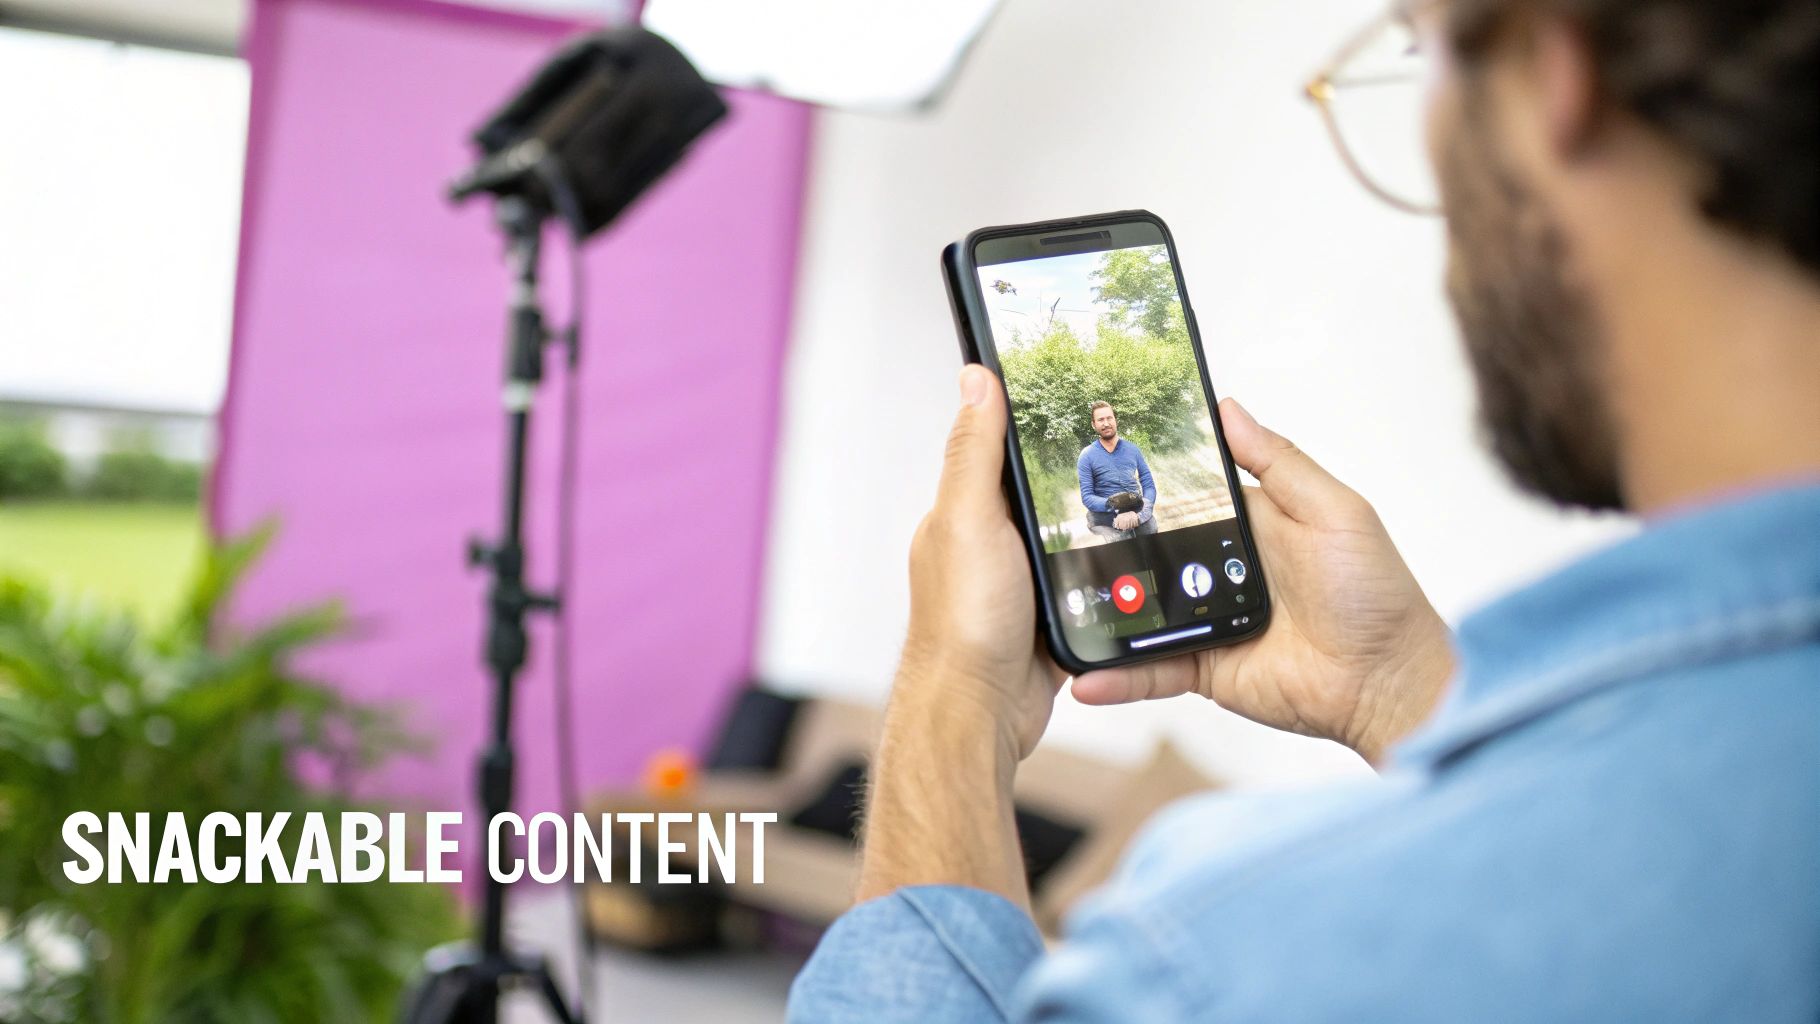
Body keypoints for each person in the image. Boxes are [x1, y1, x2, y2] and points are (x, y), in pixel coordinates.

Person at [789, 0, 1820, 1019]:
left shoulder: (1221, 961)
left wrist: (951, 697)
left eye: (1420, 50)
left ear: (1557, 75)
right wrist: (1401, 688)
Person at [1076, 400, 1159, 543]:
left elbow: (1148, 485)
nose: (1106, 423)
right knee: (1120, 545)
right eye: (1100, 420)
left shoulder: (1133, 450)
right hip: (1105, 515)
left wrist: (1139, 512)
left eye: (1109, 418)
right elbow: (1087, 496)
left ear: (1116, 420)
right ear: (1093, 424)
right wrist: (1114, 507)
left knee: (1152, 536)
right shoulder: (1086, 455)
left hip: (1136, 510)